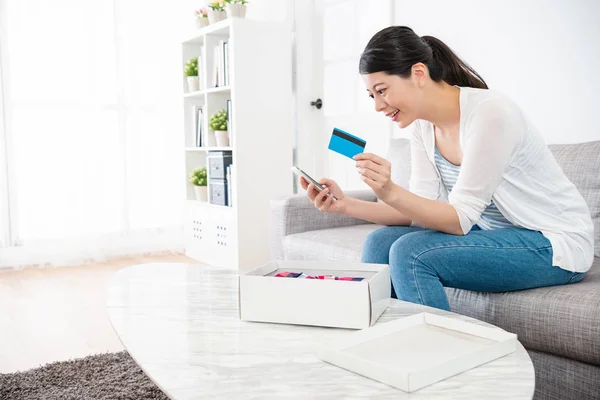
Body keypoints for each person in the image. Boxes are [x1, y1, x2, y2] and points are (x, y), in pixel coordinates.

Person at [298, 26, 594, 311]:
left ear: (418, 73)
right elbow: (416, 213)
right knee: (379, 242)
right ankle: (380, 342)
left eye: (382, 90)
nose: (378, 105)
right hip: (494, 234)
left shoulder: (491, 114)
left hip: (553, 244)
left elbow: (459, 220)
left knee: (411, 253)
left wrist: (389, 189)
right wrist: (345, 205)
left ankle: (433, 356)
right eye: (372, 95)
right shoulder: (423, 128)